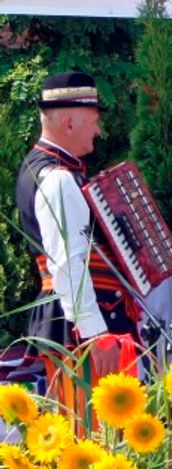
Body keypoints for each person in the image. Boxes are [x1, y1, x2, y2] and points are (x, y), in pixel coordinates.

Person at [16, 71, 138, 392]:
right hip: (84, 328)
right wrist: (96, 334)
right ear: (69, 124)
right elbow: (68, 265)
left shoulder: (47, 169)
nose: (99, 130)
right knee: (93, 431)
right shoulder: (58, 178)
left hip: (76, 321)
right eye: (94, 120)